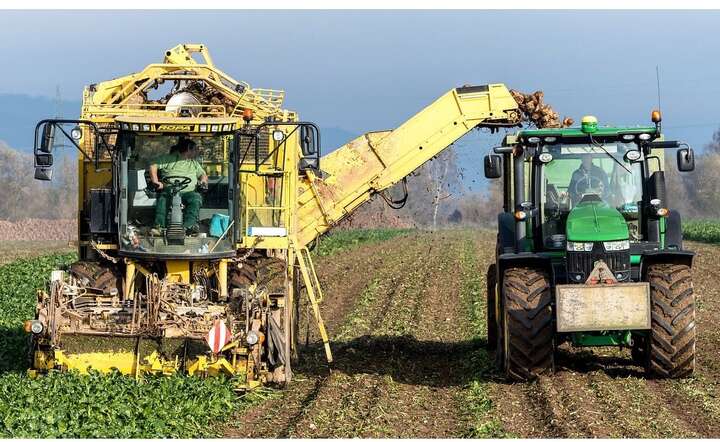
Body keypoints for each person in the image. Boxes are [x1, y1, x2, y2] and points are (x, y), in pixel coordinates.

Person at [148, 138, 208, 235]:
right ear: (189, 149)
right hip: (170, 190)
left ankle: (189, 226)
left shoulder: (194, 163)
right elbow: (153, 166)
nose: (196, 152)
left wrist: (203, 181)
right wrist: (156, 181)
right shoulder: (169, 159)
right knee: (163, 198)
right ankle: (159, 227)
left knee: (196, 198)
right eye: (195, 149)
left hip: (188, 192)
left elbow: (203, 175)